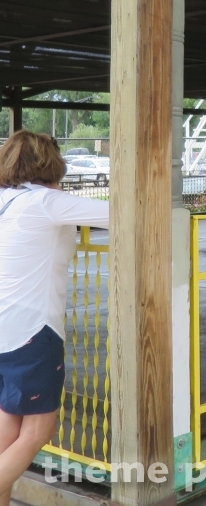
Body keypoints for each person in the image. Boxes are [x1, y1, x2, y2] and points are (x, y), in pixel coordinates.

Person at [0, 132, 110, 504]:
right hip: (32, 329)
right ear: (51, 163)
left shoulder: (5, 200)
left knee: (9, 424)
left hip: (5, 328)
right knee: (39, 428)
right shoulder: (46, 201)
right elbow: (124, 212)